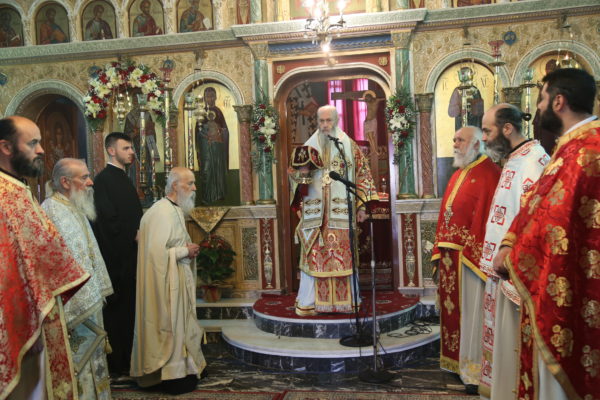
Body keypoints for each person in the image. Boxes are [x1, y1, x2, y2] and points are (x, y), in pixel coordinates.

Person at [495, 68, 599, 400]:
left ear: (558, 101)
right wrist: (510, 242)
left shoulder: (586, 150)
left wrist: (512, 255)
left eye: (541, 99)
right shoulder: (571, 147)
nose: (537, 108)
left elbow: (557, 221)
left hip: (571, 283)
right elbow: (538, 205)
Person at [0, 116, 88, 399]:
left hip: (36, 307)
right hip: (17, 315)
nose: (41, 150)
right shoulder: (5, 194)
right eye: (33, 143)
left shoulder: (17, 189)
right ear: (6, 147)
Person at [477, 104, 549, 399]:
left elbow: (534, 223)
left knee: (514, 346)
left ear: (507, 129)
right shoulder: (515, 159)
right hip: (501, 271)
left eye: (487, 130)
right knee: (503, 346)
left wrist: (511, 260)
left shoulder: (533, 161)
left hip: (515, 275)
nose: (483, 138)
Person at [431, 126, 500, 394]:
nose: (455, 144)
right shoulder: (459, 173)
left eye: (460, 140)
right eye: (454, 139)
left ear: (476, 144)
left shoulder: (489, 172)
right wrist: (440, 251)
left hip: (470, 258)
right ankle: (456, 362)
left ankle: (474, 370)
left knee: (472, 314)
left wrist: (474, 251)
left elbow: (487, 218)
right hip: (451, 257)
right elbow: (446, 215)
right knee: (454, 312)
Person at [290, 105, 378, 316]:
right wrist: (301, 176)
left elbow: (363, 175)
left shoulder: (349, 146)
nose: (325, 125)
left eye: (328, 120)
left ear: (336, 121)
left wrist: (362, 206)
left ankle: (346, 302)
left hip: (341, 213)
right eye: (321, 121)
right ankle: (310, 303)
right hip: (315, 215)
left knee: (343, 258)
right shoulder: (307, 148)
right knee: (315, 258)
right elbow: (295, 180)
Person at [42, 158, 114, 400]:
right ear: (65, 182)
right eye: (84, 177)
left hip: (90, 302)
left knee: (95, 359)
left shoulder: (73, 206)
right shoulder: (51, 211)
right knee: (78, 364)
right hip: (71, 309)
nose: (90, 182)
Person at [131, 167, 206, 394]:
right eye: (189, 183)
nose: (194, 188)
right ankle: (172, 375)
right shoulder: (161, 212)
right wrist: (184, 251)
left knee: (182, 325)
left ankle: (186, 368)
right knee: (172, 327)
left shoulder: (174, 209)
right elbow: (155, 256)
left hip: (176, 278)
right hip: (165, 284)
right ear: (175, 185)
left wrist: (187, 249)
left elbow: (171, 244)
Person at [93, 132, 143, 377]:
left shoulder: (123, 177)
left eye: (131, 148)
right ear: (111, 150)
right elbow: (106, 221)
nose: (132, 152)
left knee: (130, 309)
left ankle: (128, 357)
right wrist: (132, 235)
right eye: (126, 148)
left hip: (130, 257)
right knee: (118, 311)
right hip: (116, 260)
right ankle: (116, 362)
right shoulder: (103, 180)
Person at [195, 87, 229, 204]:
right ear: (204, 98)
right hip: (206, 148)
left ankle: (219, 195)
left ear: (215, 97)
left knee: (218, 170)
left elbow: (225, 130)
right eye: (207, 96)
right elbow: (198, 132)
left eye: (212, 96)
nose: (210, 98)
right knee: (206, 170)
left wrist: (219, 132)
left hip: (217, 148)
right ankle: (206, 196)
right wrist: (205, 136)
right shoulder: (201, 113)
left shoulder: (218, 112)